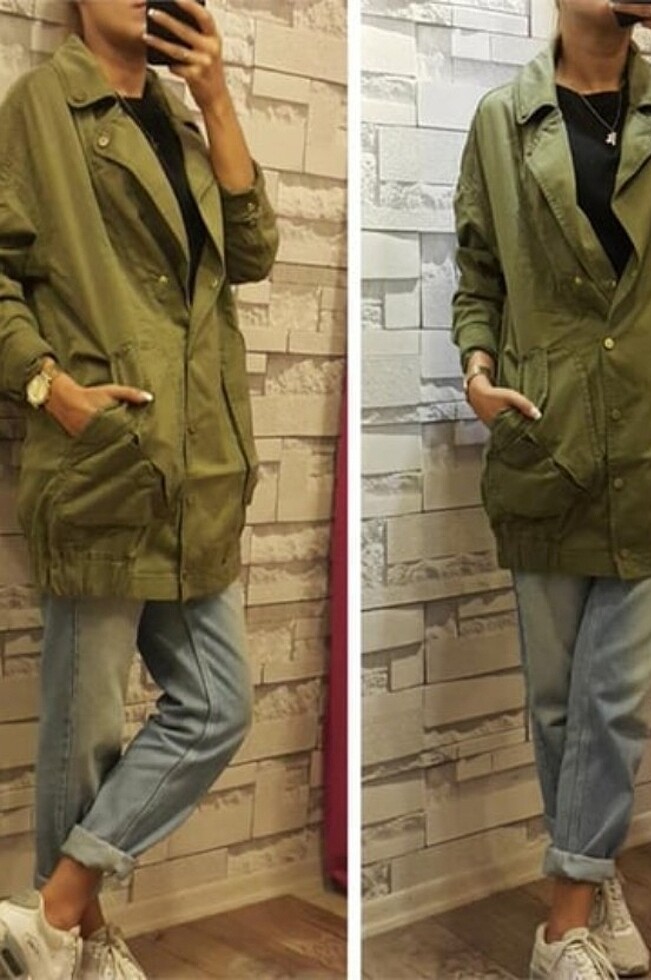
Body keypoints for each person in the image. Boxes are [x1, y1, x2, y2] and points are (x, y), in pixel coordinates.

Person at [0, 0, 278, 976]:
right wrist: (52, 387)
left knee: (218, 704)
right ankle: (76, 939)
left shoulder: (179, 119)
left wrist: (215, 94)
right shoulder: (41, 107)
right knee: (85, 735)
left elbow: (253, 252)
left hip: (198, 470)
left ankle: (54, 919)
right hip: (106, 467)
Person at [452, 1, 651, 977]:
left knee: (612, 699)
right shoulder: (501, 119)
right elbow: (477, 267)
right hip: (542, 440)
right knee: (556, 702)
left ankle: (559, 929)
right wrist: (476, 370)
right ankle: (593, 884)